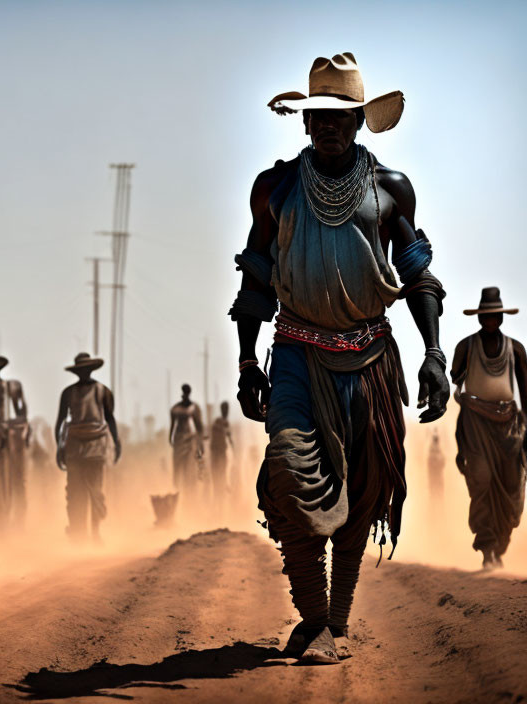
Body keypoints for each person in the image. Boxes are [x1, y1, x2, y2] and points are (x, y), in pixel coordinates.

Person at [230, 53, 448, 663]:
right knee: (290, 472)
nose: (328, 125)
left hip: (372, 360)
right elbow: (255, 280)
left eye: (341, 115)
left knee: (367, 488)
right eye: (318, 114)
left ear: (359, 122)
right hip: (297, 353)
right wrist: (248, 363)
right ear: (304, 122)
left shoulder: (389, 190)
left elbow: (418, 276)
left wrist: (433, 353)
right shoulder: (274, 190)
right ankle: (314, 617)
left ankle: (334, 621)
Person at [451, 287, 527, 570]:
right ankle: (487, 550)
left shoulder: (516, 349)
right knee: (481, 483)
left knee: (513, 489)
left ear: (501, 317)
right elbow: (457, 385)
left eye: (496, 316)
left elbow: (526, 393)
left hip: (510, 428)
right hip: (475, 426)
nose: (491, 320)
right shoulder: (466, 347)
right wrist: (461, 446)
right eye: (487, 316)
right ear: (480, 318)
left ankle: (501, 544)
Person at [55, 353, 121, 542]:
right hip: (74, 446)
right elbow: (60, 421)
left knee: (95, 491)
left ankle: (95, 532)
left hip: (96, 447)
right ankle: (78, 532)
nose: (84, 373)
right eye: (81, 370)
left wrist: (116, 442)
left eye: (86, 370)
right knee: (75, 492)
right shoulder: (68, 393)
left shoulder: (103, 391)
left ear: (91, 370)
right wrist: (59, 447)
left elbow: (110, 418)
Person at [0, 355, 31, 529]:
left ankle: (16, 520)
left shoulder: (12, 386)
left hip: (8, 438)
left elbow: (21, 413)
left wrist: (16, 426)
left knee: (16, 479)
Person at [169, 384, 205, 509]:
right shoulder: (175, 409)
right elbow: (172, 426)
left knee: (189, 472)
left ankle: (190, 503)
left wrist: (200, 445)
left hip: (190, 442)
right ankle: (177, 500)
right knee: (177, 472)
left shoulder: (194, 408)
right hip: (178, 442)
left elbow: (199, 427)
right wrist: (171, 439)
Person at [209, 401, 235, 517]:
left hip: (222, 454)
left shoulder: (225, 423)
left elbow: (229, 438)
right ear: (222, 409)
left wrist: (233, 449)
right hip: (216, 455)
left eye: (227, 408)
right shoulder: (218, 422)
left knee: (223, 479)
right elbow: (215, 436)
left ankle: (221, 509)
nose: (226, 411)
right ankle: (217, 509)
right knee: (217, 481)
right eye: (224, 408)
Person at [427, 429, 445, 501]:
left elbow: (443, 462)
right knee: (434, 491)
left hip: (437, 476)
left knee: (438, 491)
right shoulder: (432, 450)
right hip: (434, 476)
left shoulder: (439, 450)